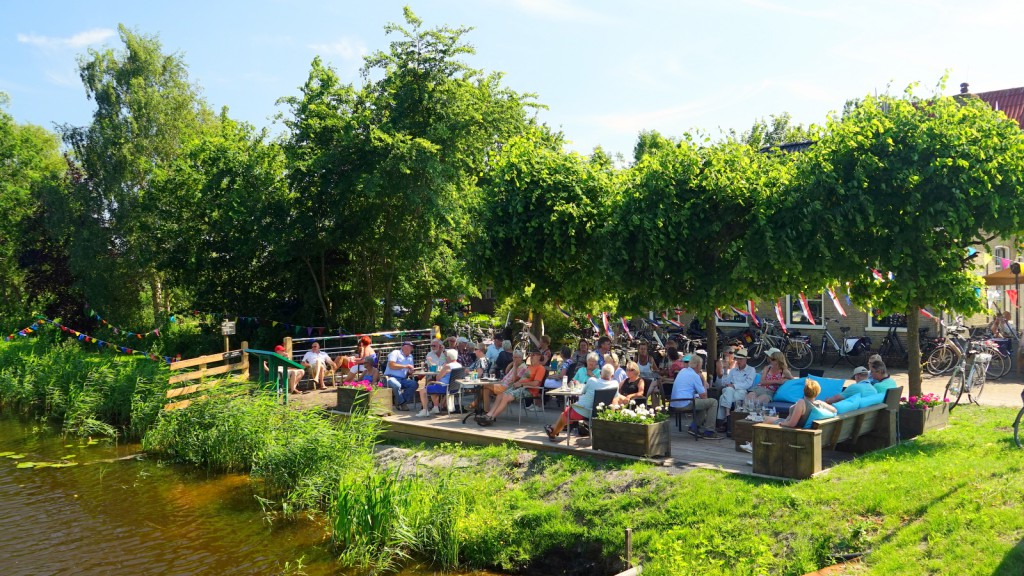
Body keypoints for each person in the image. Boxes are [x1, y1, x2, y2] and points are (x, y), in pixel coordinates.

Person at [544, 364, 619, 440]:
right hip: (600, 413)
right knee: (567, 413)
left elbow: (583, 391)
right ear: (612, 376)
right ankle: (552, 428)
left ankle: (552, 432)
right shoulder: (615, 384)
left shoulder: (592, 380)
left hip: (583, 411)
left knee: (565, 414)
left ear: (600, 373)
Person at [478, 349, 548, 423]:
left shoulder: (540, 368)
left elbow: (535, 383)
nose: (531, 356)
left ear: (539, 357)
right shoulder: (529, 367)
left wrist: (521, 384)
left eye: (533, 355)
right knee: (500, 395)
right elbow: (516, 379)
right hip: (518, 386)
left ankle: (492, 418)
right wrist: (514, 366)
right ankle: (489, 414)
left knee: (506, 397)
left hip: (529, 390)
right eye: (531, 355)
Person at [670, 354, 720, 438]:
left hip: (674, 403)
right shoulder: (695, 376)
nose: (701, 368)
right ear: (697, 365)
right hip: (685, 403)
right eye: (701, 365)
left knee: (702, 403)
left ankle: (694, 427)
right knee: (713, 402)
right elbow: (704, 396)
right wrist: (703, 381)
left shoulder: (683, 371)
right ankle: (709, 431)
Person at [764, 379, 837, 427]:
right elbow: (834, 410)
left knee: (763, 420)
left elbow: (792, 424)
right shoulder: (820, 403)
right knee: (768, 418)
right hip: (796, 427)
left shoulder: (801, 403)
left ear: (804, 390)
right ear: (818, 393)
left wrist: (781, 423)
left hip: (790, 429)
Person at [415, 349, 462, 417]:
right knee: (433, 386)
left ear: (449, 357)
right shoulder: (459, 365)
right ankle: (435, 407)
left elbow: (437, 378)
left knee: (422, 390)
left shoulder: (447, 366)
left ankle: (424, 410)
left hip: (444, 387)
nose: (445, 357)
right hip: (455, 388)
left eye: (446, 356)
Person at [718, 347, 756, 422]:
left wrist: (734, 385)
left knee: (723, 397)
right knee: (728, 390)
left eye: (741, 359)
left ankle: (721, 420)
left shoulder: (751, 370)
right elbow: (725, 383)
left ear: (745, 359)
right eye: (737, 359)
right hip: (730, 390)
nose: (738, 361)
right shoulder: (733, 370)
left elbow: (748, 384)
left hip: (741, 391)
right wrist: (725, 371)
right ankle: (727, 415)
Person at [383, 341, 418, 411]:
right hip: (390, 377)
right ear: (405, 347)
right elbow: (391, 365)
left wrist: (410, 371)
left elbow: (408, 371)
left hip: (403, 379)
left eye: (412, 348)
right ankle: (402, 404)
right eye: (411, 347)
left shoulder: (411, 357)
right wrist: (405, 366)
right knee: (397, 385)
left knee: (414, 384)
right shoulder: (395, 353)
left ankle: (399, 401)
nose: (412, 349)